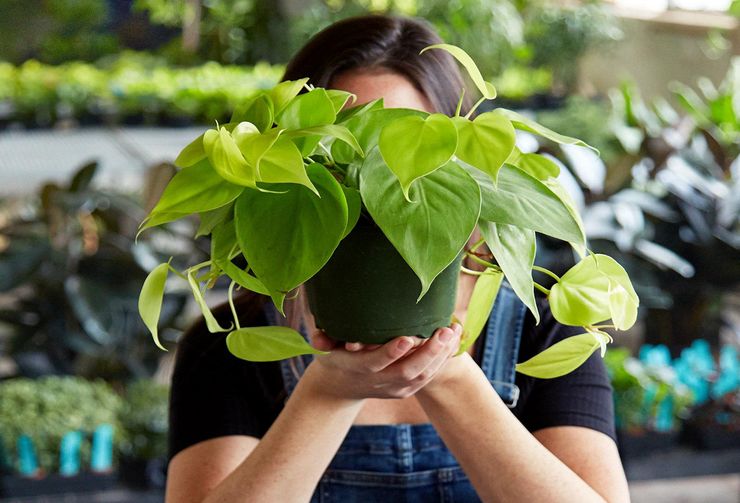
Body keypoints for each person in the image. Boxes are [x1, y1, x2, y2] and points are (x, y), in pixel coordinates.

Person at [165, 14, 630, 503]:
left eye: (404, 141)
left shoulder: (542, 330)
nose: (375, 178)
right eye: (341, 151)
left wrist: (446, 372)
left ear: (466, 167)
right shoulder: (235, 341)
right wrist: (327, 391)